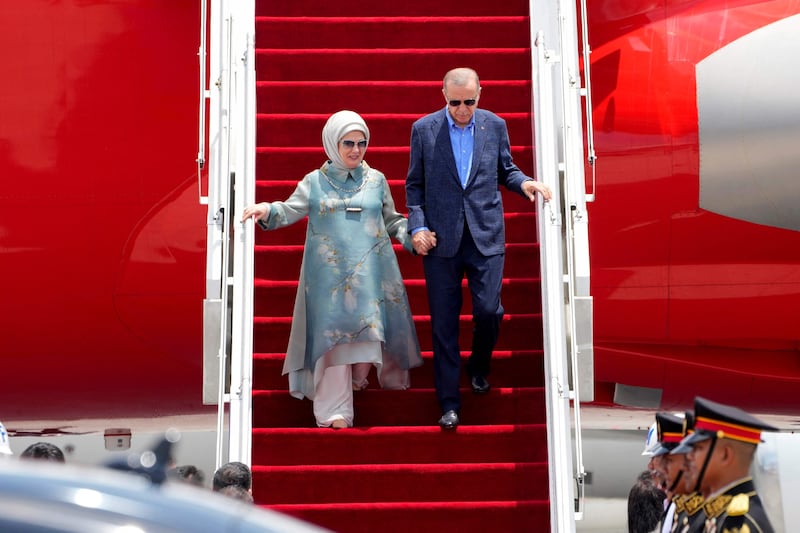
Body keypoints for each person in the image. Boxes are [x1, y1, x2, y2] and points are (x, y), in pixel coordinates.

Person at [242, 110, 422, 429]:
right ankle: (334, 412)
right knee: (334, 341)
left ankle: (358, 380)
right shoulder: (315, 181)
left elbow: (392, 219)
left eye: (362, 143)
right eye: (348, 143)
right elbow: (289, 209)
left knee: (367, 338)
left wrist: (415, 236)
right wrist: (265, 209)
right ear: (332, 143)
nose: (356, 150)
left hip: (370, 274)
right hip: (328, 280)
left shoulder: (377, 180)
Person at [405, 67, 552, 430]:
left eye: (469, 101)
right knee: (443, 323)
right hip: (442, 239)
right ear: (443, 95)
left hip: (485, 234)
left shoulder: (494, 125)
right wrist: (418, 226)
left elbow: (506, 169)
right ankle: (449, 402)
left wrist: (527, 183)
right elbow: (414, 186)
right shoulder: (424, 129)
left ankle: (479, 366)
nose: (462, 109)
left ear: (480, 95)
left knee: (489, 311)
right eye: (455, 102)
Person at [672, 396, 778, 533]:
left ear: (725, 454)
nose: (689, 456)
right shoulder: (719, 516)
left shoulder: (741, 524)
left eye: (698, 448)